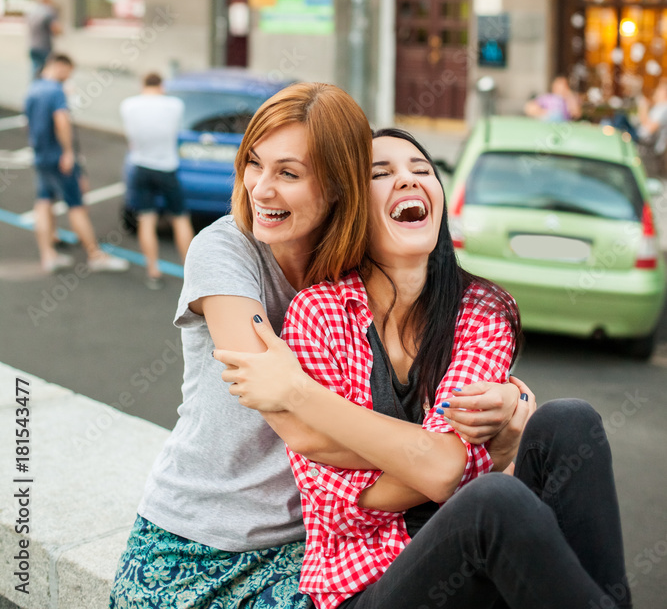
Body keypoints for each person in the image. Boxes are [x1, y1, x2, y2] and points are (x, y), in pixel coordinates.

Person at [109, 84, 523, 609]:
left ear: (337, 188)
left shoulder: (358, 267)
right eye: (254, 163)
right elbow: (304, 428)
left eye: (288, 173)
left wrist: (508, 403)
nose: (260, 189)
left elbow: (410, 387)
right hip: (201, 541)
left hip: (311, 545)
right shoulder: (226, 249)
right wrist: (461, 454)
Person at [215, 128, 631, 609]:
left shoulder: (481, 310)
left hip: (470, 560)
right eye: (382, 173)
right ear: (350, 206)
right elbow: (340, 506)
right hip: (366, 589)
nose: (408, 181)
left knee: (569, 422)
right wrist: (473, 458)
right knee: (494, 501)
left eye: (421, 170)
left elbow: (445, 468)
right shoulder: (318, 314)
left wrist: (298, 393)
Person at [24, 53, 130, 275]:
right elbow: (61, 121)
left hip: (41, 156)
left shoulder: (33, 89)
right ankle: (94, 254)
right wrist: (68, 152)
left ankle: (48, 255)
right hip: (58, 157)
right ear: (60, 67)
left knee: (43, 202)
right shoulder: (55, 91)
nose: (68, 77)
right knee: (76, 205)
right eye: (68, 72)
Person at [120, 72, 194, 288]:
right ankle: (191, 273)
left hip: (140, 166)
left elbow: (131, 138)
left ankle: (153, 271)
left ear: (142, 84)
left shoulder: (128, 105)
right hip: (166, 167)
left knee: (146, 219)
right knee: (180, 218)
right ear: (161, 86)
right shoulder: (174, 105)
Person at [26, 0, 61, 78]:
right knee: (45, 72)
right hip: (44, 46)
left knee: (35, 71)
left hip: (32, 45)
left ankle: (34, 88)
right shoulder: (48, 12)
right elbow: (56, 29)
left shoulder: (32, 11)